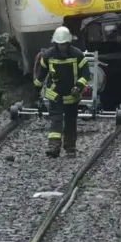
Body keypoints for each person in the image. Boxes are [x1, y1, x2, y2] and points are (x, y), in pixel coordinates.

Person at [33, 27, 89, 157]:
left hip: (72, 96)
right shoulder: (48, 55)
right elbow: (41, 76)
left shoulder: (77, 55)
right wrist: (36, 92)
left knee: (70, 121)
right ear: (55, 43)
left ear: (68, 43)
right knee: (56, 120)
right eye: (60, 44)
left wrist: (79, 87)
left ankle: (70, 148)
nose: (62, 47)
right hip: (55, 95)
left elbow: (85, 73)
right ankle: (54, 146)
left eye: (64, 44)